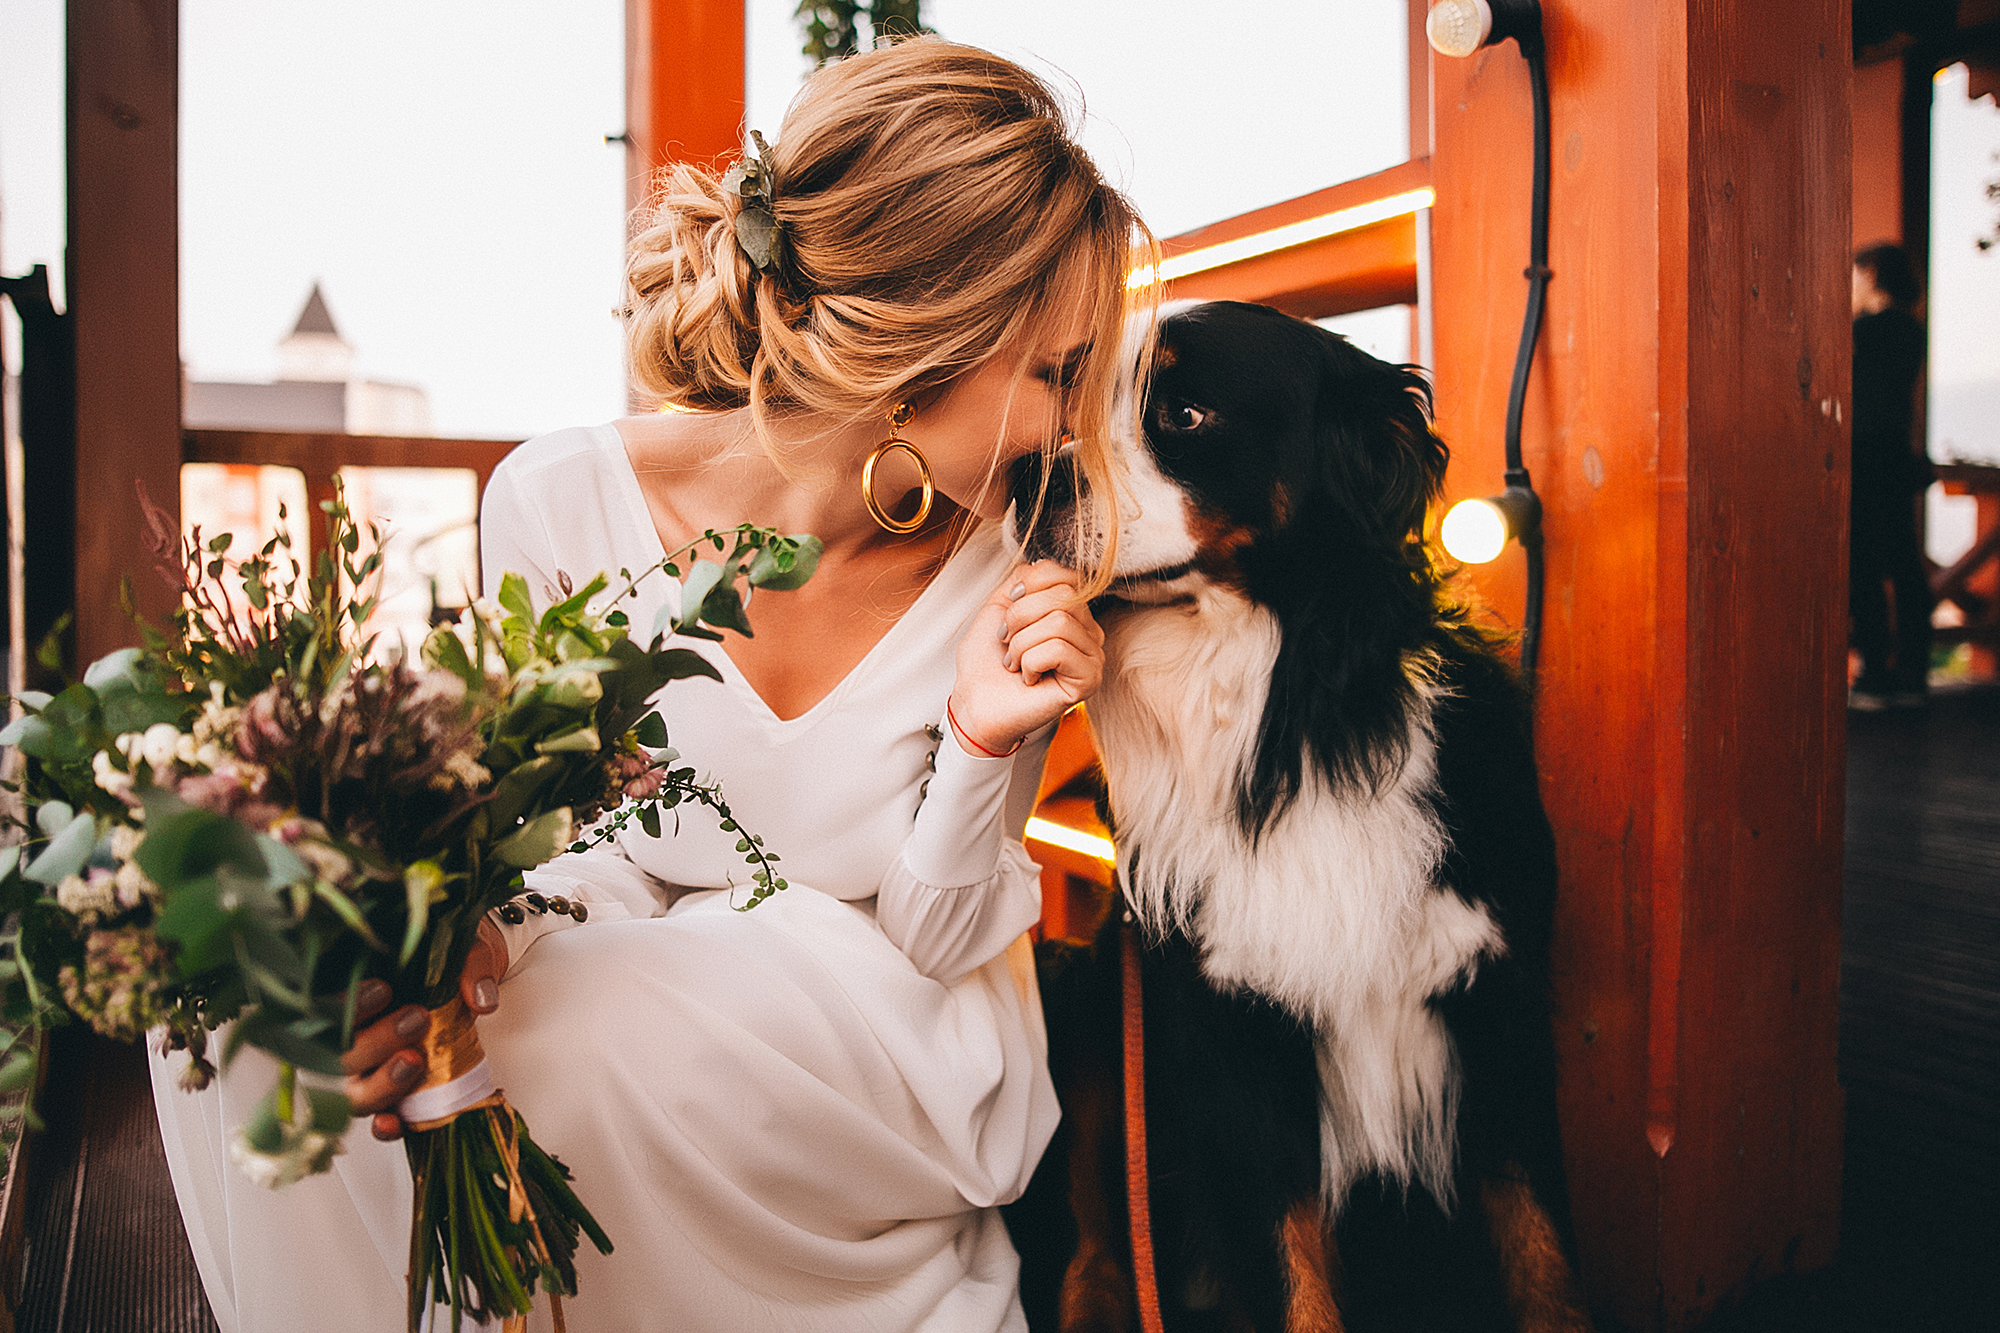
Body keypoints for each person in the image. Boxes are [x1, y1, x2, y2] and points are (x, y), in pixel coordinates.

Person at [150, 38, 1149, 1331]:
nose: (1067, 426)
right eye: (1053, 373)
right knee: (281, 1017)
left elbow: (941, 940)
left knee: (591, 1030)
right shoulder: (562, 498)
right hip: (624, 957)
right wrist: (481, 942)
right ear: (916, 341)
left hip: (889, 1024)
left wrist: (976, 740)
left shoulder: (1018, 552)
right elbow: (583, 853)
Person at [1849, 241, 1933, 710]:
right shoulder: (1910, 331)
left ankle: (1874, 673)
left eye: (1855, 274)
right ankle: (1913, 672)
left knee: (1861, 565)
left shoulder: (1866, 331)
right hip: (1896, 458)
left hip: (1864, 459)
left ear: (1872, 274)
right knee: (1903, 564)